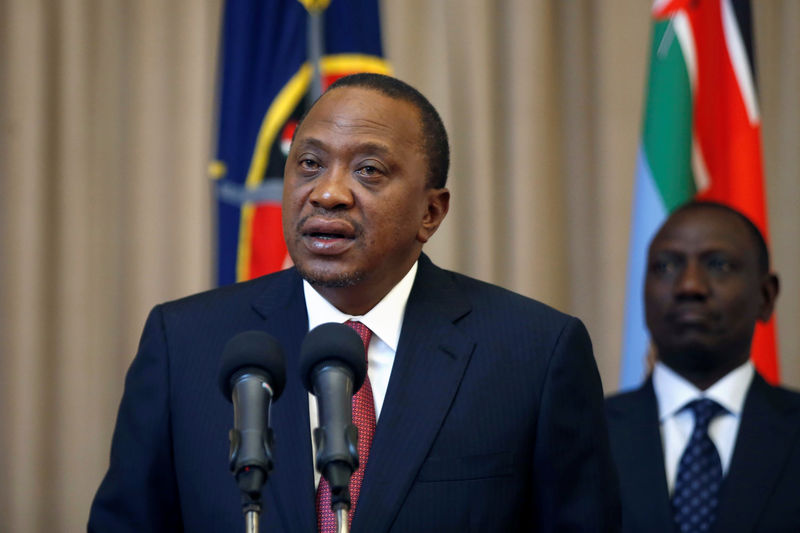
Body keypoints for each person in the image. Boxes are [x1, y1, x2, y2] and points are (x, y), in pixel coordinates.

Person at [89, 73, 620, 532]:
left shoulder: (534, 354)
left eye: (368, 170)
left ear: (431, 213)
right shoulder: (185, 343)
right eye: (309, 164)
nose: (327, 193)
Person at [606, 202, 800, 533]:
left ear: (766, 296)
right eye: (666, 267)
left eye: (718, 265)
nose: (689, 286)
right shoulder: (586, 432)